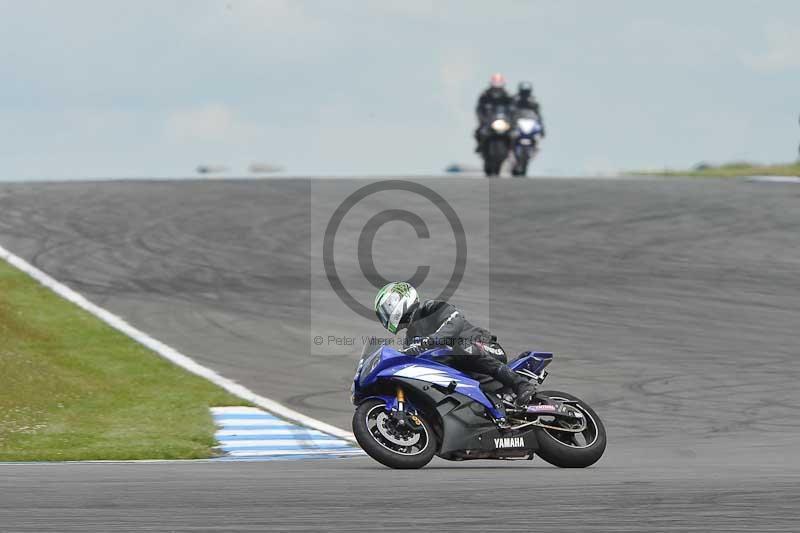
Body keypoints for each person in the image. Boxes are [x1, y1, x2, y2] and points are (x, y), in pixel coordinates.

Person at [373, 281, 537, 408]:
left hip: (484, 347)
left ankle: (522, 385)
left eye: (386, 310)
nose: (385, 316)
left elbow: (455, 322)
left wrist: (430, 341)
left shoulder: (431, 308)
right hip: (462, 371)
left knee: (460, 347)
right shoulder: (411, 337)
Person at [474, 73, 513, 152]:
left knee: (514, 133)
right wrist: (483, 119)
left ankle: (512, 149)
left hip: (503, 120)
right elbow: (479, 108)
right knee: (479, 132)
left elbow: (512, 108)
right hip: (489, 120)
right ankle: (480, 146)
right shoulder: (485, 95)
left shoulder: (507, 95)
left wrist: (511, 119)